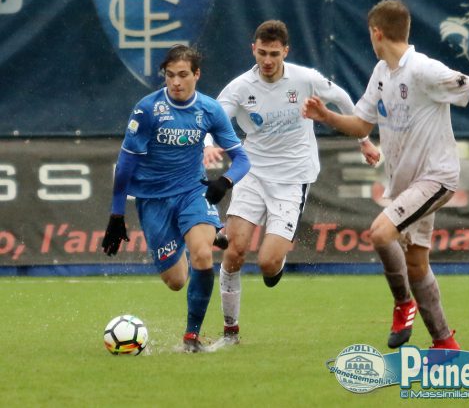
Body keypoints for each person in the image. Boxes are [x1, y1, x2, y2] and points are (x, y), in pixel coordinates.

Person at [302, 0, 469, 351]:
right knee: (416, 263)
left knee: (380, 233)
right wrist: (326, 116)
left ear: (377, 33)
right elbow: (361, 124)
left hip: (436, 177)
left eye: (369, 33)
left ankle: (404, 303)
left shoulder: (423, 70)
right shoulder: (381, 73)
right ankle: (444, 342)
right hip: (407, 186)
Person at [204, 20, 356, 343]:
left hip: (292, 179)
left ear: (286, 51)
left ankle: (278, 259)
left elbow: (342, 98)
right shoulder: (240, 87)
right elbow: (212, 118)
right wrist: (207, 145)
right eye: (262, 53)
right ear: (253, 50)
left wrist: (364, 138)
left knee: (268, 264)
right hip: (252, 174)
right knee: (234, 251)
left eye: (274, 54)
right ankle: (230, 330)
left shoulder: (305, 79)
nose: (268, 60)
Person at [101, 45, 251, 352]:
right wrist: (117, 214)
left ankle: (191, 338)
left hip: (192, 191)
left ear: (197, 74)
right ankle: (203, 234)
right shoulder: (147, 110)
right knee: (176, 281)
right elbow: (126, 165)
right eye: (170, 75)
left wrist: (225, 182)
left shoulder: (209, 110)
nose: (176, 82)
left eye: (183, 75)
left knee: (202, 256)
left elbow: (242, 159)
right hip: (153, 199)